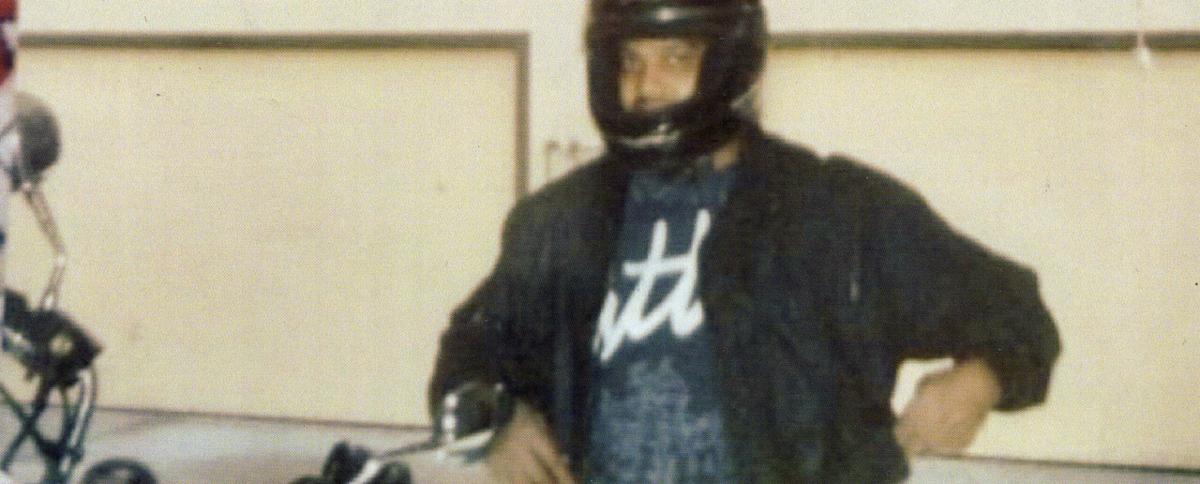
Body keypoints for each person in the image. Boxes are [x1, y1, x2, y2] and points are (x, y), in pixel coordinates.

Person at [429, 0, 1061, 482]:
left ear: (731, 59)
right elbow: (470, 351)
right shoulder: (559, 221)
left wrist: (981, 382)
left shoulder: (836, 208)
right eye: (630, 61)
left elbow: (1019, 316)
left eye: (676, 58)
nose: (646, 86)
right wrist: (496, 419)